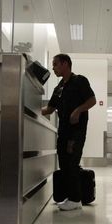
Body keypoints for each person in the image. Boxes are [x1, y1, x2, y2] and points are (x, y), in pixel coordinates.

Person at [41, 54, 96, 211]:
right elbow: (50, 109)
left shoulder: (80, 81)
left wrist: (78, 110)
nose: (53, 68)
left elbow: (92, 100)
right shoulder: (59, 88)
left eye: (55, 64)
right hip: (63, 132)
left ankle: (75, 199)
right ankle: (71, 196)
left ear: (65, 64)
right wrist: (30, 110)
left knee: (72, 163)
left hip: (76, 132)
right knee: (64, 163)